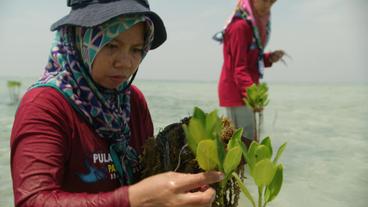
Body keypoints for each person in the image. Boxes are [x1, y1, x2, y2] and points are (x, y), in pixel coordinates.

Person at [10, 0, 223, 206]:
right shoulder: (45, 105)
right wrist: (132, 200)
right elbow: (32, 200)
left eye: (136, 49)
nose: (125, 62)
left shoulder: (132, 102)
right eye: (111, 45)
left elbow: (147, 176)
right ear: (79, 39)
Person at [214, 0, 285, 141]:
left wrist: (269, 58)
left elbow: (251, 61)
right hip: (236, 93)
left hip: (245, 92)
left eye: (272, 2)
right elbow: (239, 69)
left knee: (247, 143)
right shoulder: (239, 27)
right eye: (264, 0)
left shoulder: (252, 25)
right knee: (243, 144)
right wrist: (254, 99)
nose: (268, 5)